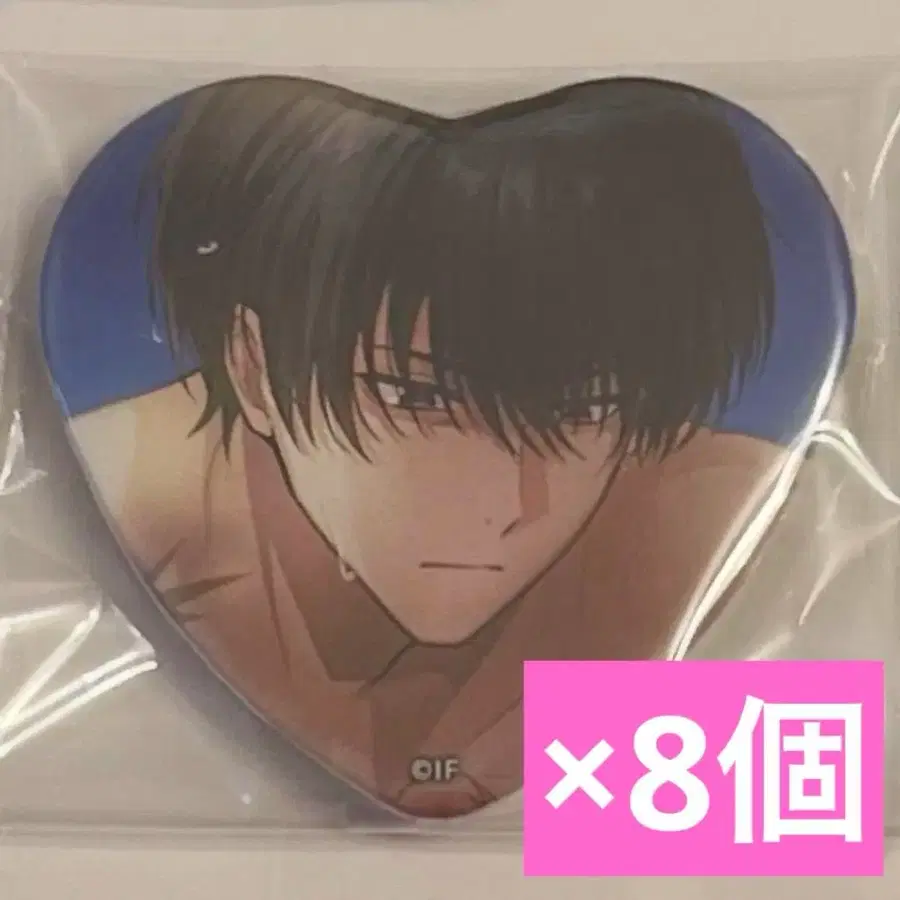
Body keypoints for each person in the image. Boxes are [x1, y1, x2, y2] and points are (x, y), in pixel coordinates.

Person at [58, 75, 826, 817]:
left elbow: (777, 816)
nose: (503, 505)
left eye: (585, 406)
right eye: (411, 397)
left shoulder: (716, 512)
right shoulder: (146, 484)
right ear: (253, 368)